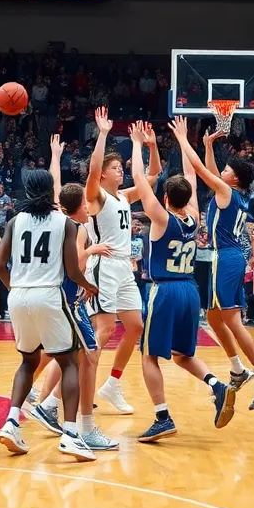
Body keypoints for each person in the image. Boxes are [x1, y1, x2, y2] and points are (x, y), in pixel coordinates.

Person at [130, 119, 236, 441]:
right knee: (182, 354)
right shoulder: (194, 216)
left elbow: (139, 178)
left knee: (149, 355)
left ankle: (162, 417)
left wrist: (137, 143)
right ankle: (217, 385)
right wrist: (182, 138)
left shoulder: (161, 218)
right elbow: (191, 174)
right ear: (188, 197)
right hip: (190, 289)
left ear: (165, 198)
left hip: (164, 290)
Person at [0, 169, 98, 461]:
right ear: (52, 190)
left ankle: (11, 422)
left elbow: (0, 265)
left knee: (28, 361)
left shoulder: (14, 221)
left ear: (27, 190)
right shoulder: (65, 223)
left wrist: (15, 289)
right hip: (49, 294)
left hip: (18, 295)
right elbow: (73, 270)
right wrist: (89, 286)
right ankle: (71, 435)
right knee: (70, 362)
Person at [175, 122, 254, 411]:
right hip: (225, 257)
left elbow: (201, 170)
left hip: (226, 257)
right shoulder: (233, 194)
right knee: (213, 317)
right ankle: (237, 369)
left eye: (226, 170)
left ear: (234, 179)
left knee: (232, 320)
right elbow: (210, 170)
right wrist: (208, 145)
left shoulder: (226, 192)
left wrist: (184, 139)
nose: (222, 171)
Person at [85, 106, 157, 414]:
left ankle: (112, 384)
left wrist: (151, 146)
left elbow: (152, 176)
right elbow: (92, 172)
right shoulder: (96, 195)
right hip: (103, 266)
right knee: (104, 331)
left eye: (120, 168)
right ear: (104, 174)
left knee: (136, 327)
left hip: (124, 268)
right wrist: (103, 134)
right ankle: (78, 388)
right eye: (115, 168)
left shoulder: (124, 196)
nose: (121, 171)